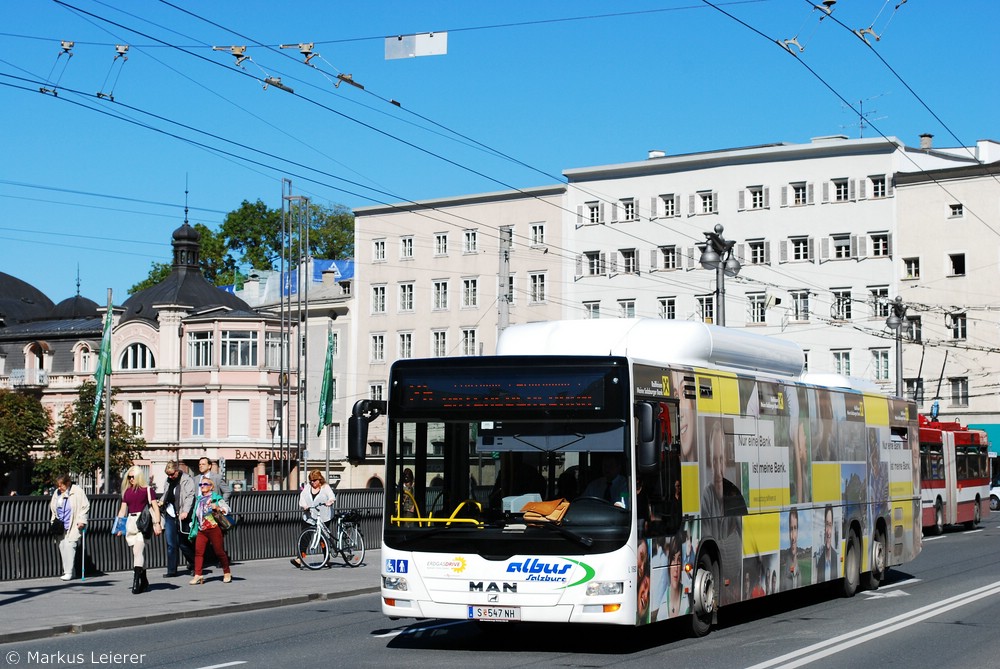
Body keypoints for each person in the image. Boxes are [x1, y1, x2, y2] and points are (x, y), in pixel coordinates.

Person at [114, 466, 162, 594]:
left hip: (144, 522)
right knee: (136, 554)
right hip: (130, 523)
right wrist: (119, 527)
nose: (130, 479)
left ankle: (136, 582)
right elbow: (122, 510)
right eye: (128, 477)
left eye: (132, 477)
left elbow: (155, 507)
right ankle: (144, 579)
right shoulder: (126, 492)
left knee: (137, 551)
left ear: (139, 477)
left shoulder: (147, 490)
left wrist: (157, 523)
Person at [188, 476, 232, 584]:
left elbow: (227, 509)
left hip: (214, 528)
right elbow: (196, 513)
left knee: (219, 551)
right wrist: (193, 523)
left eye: (205, 484)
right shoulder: (199, 499)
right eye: (201, 485)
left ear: (211, 487)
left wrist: (218, 508)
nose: (202, 486)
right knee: (198, 552)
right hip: (202, 529)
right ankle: (198, 575)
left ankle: (227, 572)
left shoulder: (216, 498)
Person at [290, 470, 337, 569]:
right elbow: (302, 497)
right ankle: (300, 559)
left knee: (322, 539)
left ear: (319, 479)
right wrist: (304, 505)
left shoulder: (325, 487)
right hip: (309, 517)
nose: (312, 482)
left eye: (314, 480)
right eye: (311, 480)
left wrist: (330, 502)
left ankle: (326, 558)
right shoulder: (307, 487)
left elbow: (332, 496)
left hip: (323, 517)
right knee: (305, 538)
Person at [156, 460, 195, 577]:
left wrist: (185, 511)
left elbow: (190, 496)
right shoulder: (168, 481)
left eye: (172, 474)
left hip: (182, 515)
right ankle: (171, 570)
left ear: (177, 471)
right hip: (170, 513)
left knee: (183, 543)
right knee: (171, 544)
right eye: (168, 474)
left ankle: (195, 564)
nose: (170, 477)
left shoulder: (187, 480)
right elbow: (167, 493)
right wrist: (161, 500)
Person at [49, 474, 89, 581]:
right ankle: (72, 571)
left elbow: (85, 506)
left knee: (70, 546)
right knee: (62, 547)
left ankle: (68, 572)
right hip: (60, 525)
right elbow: (53, 506)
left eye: (61, 485)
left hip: (74, 524)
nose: (59, 488)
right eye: (58, 486)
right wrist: (54, 520)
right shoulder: (57, 493)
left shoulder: (77, 491)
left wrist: (82, 520)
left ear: (67, 483)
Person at [781, 507, 803, 591]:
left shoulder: (800, 572)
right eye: (790, 529)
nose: (793, 537)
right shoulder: (784, 575)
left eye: (795, 528)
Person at [815, 504, 839, 582]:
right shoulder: (820, 561)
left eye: (830, 525)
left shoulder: (836, 557)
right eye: (826, 525)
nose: (828, 531)